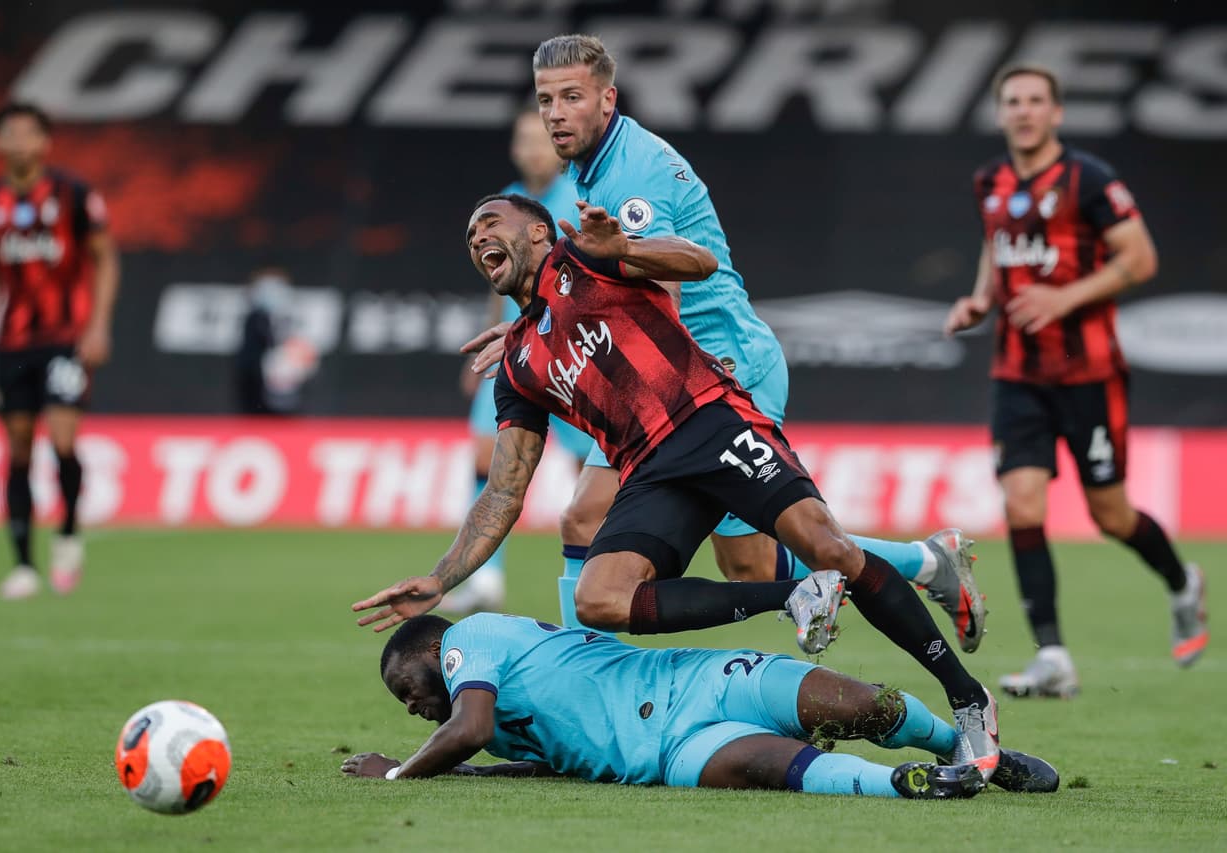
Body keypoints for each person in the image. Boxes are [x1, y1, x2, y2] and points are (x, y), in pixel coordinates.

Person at [354, 194, 1002, 781]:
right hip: (650, 467)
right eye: (469, 234)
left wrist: (625, 250)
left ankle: (968, 696)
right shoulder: (519, 363)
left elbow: (698, 262)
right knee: (600, 600)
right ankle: (796, 593)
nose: (478, 237)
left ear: (541, 232)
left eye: (491, 221)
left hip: (709, 419)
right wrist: (443, 578)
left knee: (827, 544)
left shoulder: (589, 258)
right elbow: (503, 490)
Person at [461, 34, 986, 651]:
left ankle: (925, 565)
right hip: (667, 382)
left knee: (748, 564)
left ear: (608, 99)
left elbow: (659, 284)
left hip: (720, 371)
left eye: (571, 97)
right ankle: (583, 669)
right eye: (546, 99)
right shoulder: (590, 165)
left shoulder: (632, 177)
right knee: (601, 520)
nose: (554, 113)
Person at [944, 64, 1209, 697]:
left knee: (1110, 515)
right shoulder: (991, 179)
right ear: (1002, 112)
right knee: (1022, 503)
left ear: (1057, 113)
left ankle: (1181, 585)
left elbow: (1139, 259)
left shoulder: (1090, 179)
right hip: (1017, 376)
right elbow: (995, 242)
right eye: (1013, 101)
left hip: (1088, 376)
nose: (1025, 111)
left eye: (1037, 101)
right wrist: (982, 298)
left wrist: (1064, 301)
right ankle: (1053, 657)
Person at [343, 613, 1059, 799]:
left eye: (409, 690)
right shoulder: (492, 732)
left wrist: (399, 774)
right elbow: (551, 765)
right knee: (772, 766)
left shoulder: (469, 640)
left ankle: (963, 752)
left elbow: (459, 727)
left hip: (697, 680)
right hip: (665, 755)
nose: (414, 709)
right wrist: (468, 776)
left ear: (436, 653)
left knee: (859, 703)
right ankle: (915, 782)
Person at [0, 101, 119, 600]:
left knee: (64, 442)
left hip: (67, 338)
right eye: (10, 133)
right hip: (13, 342)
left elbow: (106, 259)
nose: (19, 142)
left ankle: (68, 531)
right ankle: (24, 564)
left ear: (45, 143)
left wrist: (98, 326)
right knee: (20, 448)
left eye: (30, 134)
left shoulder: (73, 194)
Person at [444, 109, 597, 615]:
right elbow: (497, 284)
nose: (533, 148)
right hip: (514, 346)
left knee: (589, 474)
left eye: (541, 138)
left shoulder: (582, 196)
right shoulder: (504, 204)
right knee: (486, 459)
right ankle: (486, 577)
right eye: (523, 138)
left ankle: (597, 572)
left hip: (572, 352)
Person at [234, 268, 317, 416]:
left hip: (289, 399)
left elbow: (305, 356)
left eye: (276, 286)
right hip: (256, 401)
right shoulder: (254, 321)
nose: (272, 292)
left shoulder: (290, 320)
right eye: (266, 287)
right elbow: (248, 364)